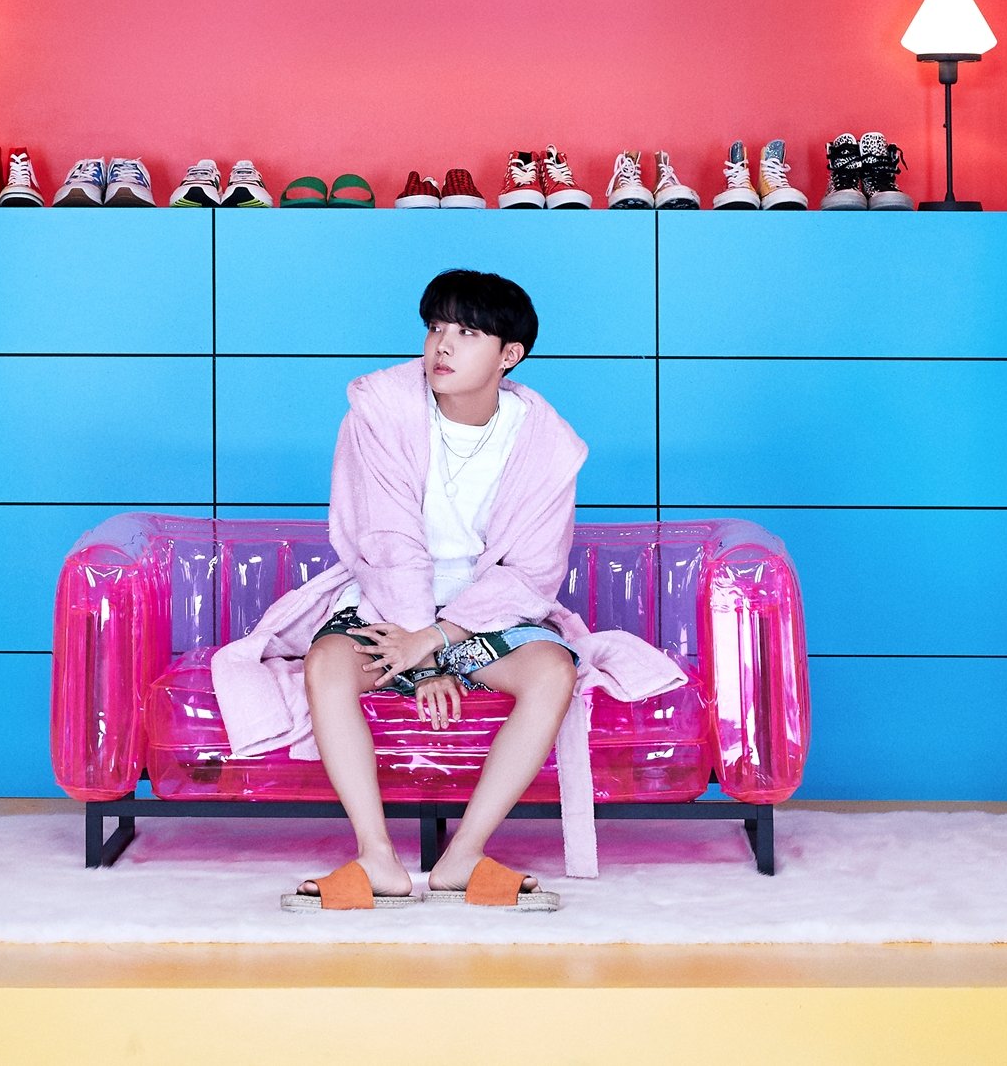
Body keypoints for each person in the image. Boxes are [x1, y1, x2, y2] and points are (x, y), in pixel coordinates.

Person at [209, 268, 684, 910]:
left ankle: (462, 857)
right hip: (386, 601)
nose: (443, 345)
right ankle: (377, 858)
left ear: (509, 355)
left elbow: (532, 571)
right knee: (326, 664)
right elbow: (386, 539)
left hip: (484, 614)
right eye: (436, 327)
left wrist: (436, 639)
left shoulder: (548, 446)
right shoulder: (382, 413)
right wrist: (421, 654)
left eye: (467, 333)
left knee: (552, 672)